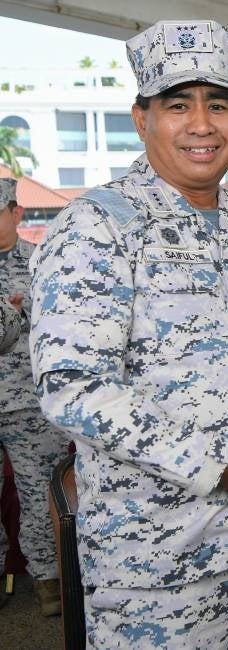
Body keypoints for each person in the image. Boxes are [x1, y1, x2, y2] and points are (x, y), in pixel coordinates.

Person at [29, 20, 228, 647]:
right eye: (178, 104)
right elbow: (74, 389)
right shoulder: (96, 229)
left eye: (219, 104)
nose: (202, 124)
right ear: (141, 117)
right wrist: (224, 466)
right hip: (158, 564)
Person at [0, 177, 65, 615]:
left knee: (40, 492)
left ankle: (49, 581)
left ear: (16, 213)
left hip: (28, 402)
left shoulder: (44, 263)